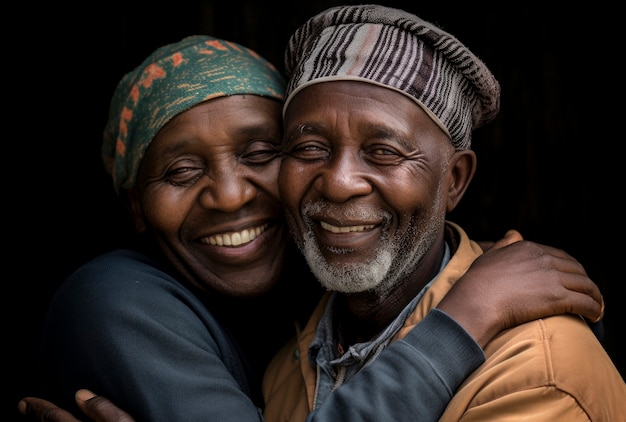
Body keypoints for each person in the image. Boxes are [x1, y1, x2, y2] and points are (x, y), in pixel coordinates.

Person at [17, 31, 606, 422]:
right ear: (135, 207)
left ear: (453, 181)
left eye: (260, 152)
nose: (228, 195)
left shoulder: (532, 369)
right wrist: (466, 317)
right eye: (179, 170)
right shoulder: (116, 302)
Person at [258, 4, 626, 421]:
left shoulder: (534, 371)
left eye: (384, 152)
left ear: (454, 180)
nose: (339, 182)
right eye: (309, 148)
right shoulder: (288, 369)